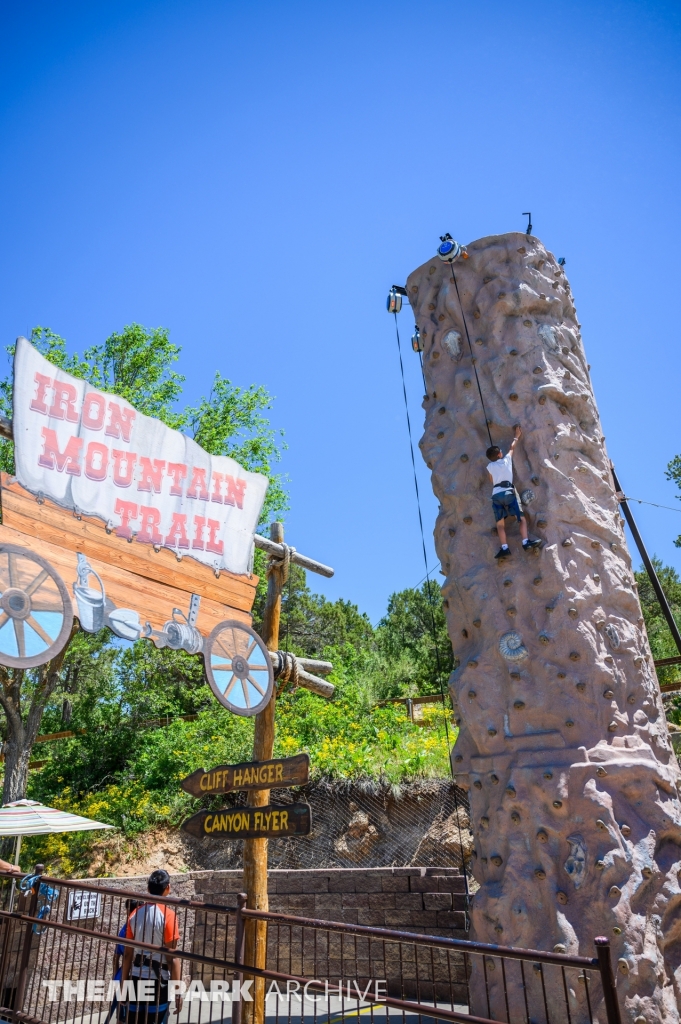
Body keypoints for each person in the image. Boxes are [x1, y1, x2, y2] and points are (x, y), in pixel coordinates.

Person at [119, 871, 182, 1024]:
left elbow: (128, 955)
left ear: (148, 888)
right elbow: (172, 958)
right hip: (158, 981)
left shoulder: (134, 914)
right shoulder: (168, 915)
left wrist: (123, 987)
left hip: (135, 978)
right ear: (168, 888)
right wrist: (178, 992)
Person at [486, 426, 541, 560]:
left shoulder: (489, 466)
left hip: (496, 495)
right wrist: (517, 435)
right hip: (508, 492)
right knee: (521, 518)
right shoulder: (506, 460)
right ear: (499, 454)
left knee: (500, 524)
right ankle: (525, 542)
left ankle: (504, 548)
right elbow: (512, 447)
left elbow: (491, 480)